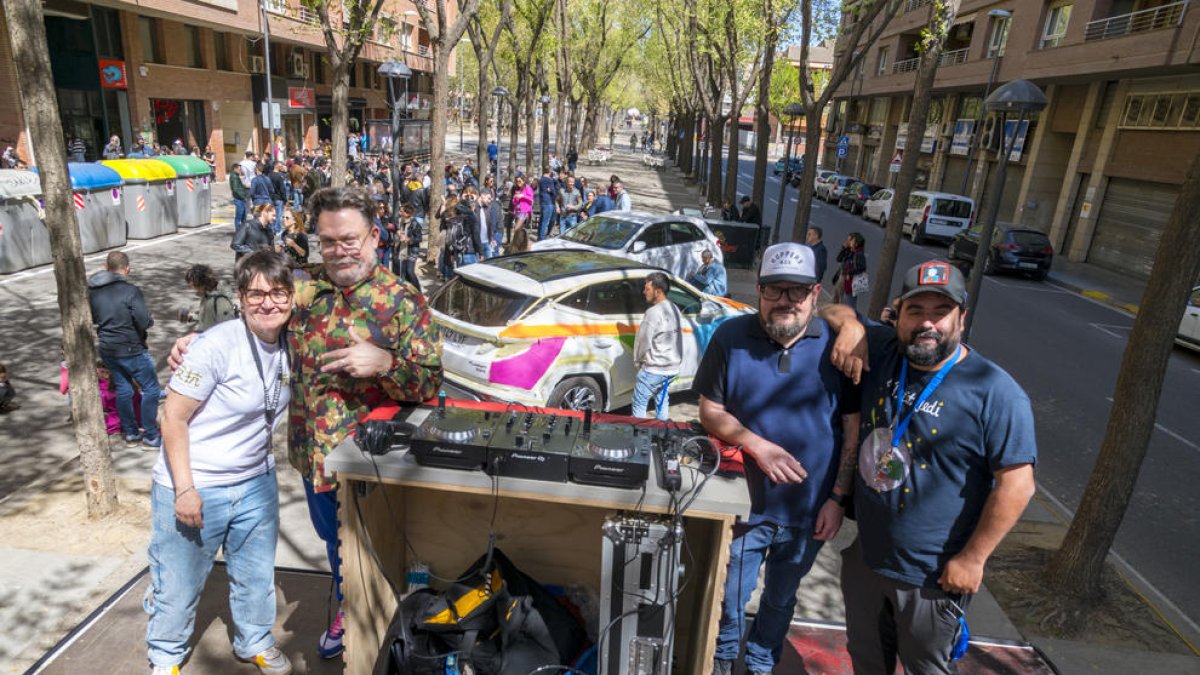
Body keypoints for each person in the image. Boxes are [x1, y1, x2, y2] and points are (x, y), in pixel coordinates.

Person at [171, 187, 443, 661]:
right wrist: (200, 340)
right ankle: (347, 606)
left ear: (374, 237)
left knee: (375, 548)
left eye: (349, 239)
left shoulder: (403, 302)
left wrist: (385, 364)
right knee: (334, 544)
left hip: (370, 464)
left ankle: (380, 624)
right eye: (328, 241)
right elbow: (257, 312)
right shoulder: (303, 288)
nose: (339, 250)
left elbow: (430, 382)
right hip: (312, 457)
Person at [822, 261, 1036, 674]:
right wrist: (850, 326)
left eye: (941, 312)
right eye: (916, 311)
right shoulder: (883, 350)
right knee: (866, 662)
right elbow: (830, 310)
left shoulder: (995, 392)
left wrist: (973, 559)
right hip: (867, 558)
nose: (927, 323)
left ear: (961, 318)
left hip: (932, 578)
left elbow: (1018, 485)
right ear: (898, 313)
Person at [697, 243, 860, 675]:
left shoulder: (839, 347)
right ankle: (723, 659)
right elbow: (710, 410)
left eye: (798, 291)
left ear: (816, 293)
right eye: (774, 289)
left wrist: (837, 499)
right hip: (743, 508)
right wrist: (757, 444)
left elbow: (852, 428)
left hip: (809, 511)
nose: (785, 300)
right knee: (728, 596)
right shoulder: (730, 337)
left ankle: (760, 661)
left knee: (782, 597)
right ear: (759, 290)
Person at [148, 251, 295, 675]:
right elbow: (172, 418)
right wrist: (185, 489)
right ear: (240, 298)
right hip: (197, 483)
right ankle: (165, 656)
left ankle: (255, 641)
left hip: (255, 481)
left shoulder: (293, 341)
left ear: (291, 297)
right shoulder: (214, 345)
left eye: (278, 293)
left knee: (256, 576)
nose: (268, 303)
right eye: (256, 294)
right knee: (178, 581)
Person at [88, 251, 162, 448]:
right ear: (127, 269)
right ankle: (151, 435)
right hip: (132, 348)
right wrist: (149, 320)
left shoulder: (92, 291)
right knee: (151, 389)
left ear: (106, 267)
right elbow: (143, 321)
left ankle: (130, 433)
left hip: (107, 347)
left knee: (124, 389)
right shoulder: (130, 291)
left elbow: (93, 317)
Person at [631, 272, 683, 420]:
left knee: (639, 403)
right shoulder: (674, 308)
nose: (644, 292)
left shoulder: (653, 313)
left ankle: (638, 434)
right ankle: (662, 431)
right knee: (662, 400)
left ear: (658, 291)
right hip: (671, 369)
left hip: (654, 370)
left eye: (647, 289)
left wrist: (638, 361)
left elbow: (643, 341)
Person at [183, 264, 238, 332]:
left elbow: (227, 327)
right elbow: (208, 317)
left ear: (200, 284)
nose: (192, 288)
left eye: (193, 285)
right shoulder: (206, 296)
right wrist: (193, 317)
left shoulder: (220, 301)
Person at [834, 232, 867, 309]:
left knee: (848, 302)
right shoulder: (850, 251)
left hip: (851, 280)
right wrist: (844, 249)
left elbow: (862, 268)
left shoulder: (858, 254)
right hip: (845, 277)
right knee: (838, 297)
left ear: (856, 243)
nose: (848, 242)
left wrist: (849, 272)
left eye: (851, 240)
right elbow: (839, 259)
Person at [536, 165, 559, 240]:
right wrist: (552, 190)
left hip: (543, 202)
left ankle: (539, 237)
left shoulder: (541, 179)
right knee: (545, 222)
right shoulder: (549, 180)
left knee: (542, 221)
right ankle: (542, 239)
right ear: (550, 171)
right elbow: (554, 192)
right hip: (548, 202)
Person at [230, 165, 249, 233]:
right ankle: (238, 231)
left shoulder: (236, 176)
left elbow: (238, 187)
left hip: (240, 198)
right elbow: (235, 189)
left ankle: (243, 231)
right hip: (239, 199)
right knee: (239, 216)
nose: (240, 170)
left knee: (244, 216)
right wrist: (243, 196)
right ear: (235, 169)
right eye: (239, 169)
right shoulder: (234, 177)